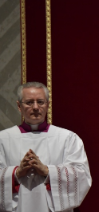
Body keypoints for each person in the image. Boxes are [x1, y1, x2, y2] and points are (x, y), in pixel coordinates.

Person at [0, 82, 92, 212]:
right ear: (19, 106)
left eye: (41, 102)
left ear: (48, 105)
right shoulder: (3, 139)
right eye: (29, 102)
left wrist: (48, 171)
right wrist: (16, 173)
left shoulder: (68, 138)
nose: (36, 107)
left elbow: (82, 176)